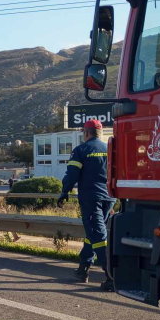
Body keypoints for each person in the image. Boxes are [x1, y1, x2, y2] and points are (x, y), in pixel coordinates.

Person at [57, 119, 115, 291]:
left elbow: (72, 175)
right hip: (110, 198)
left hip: (91, 198)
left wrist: (64, 192)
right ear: (101, 133)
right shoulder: (110, 150)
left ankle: (111, 276)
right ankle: (83, 269)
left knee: (97, 235)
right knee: (93, 232)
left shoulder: (81, 150)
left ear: (86, 133)